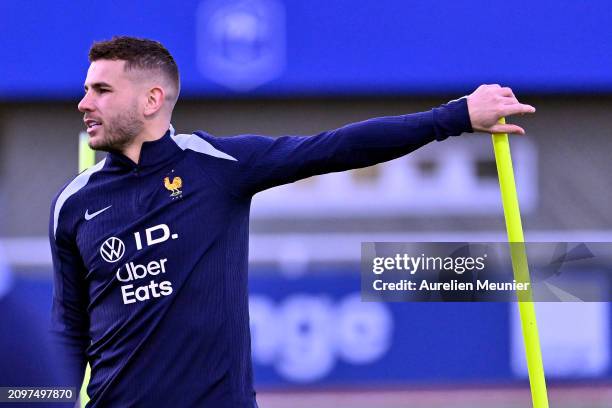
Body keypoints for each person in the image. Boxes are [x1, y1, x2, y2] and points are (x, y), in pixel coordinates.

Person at [49, 36, 535, 407]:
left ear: (152, 100)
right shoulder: (73, 204)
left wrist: (454, 116)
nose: (83, 103)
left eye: (101, 90)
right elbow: (67, 333)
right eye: (86, 89)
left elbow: (336, 147)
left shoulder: (215, 165)